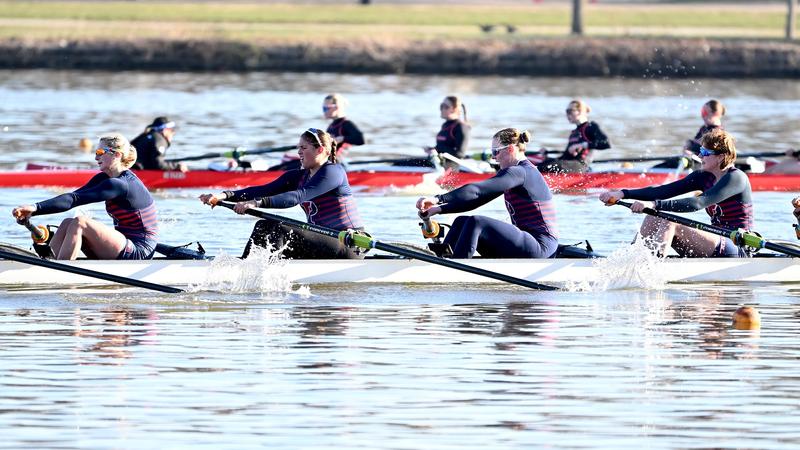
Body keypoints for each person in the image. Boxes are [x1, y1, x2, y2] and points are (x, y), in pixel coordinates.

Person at [199, 128, 366, 259]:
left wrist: (256, 203)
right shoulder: (298, 176)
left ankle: (254, 272)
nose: (299, 152)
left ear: (319, 150)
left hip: (349, 244)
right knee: (264, 228)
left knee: (275, 229)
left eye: (303, 147)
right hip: (322, 241)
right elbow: (262, 190)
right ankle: (250, 266)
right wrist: (223, 196)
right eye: (298, 148)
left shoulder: (333, 172)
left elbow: (298, 196)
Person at [599, 128, 752, 258]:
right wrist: (622, 193)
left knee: (670, 221)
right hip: (714, 241)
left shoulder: (736, 178)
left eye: (705, 152)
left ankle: (653, 270)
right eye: (700, 151)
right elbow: (664, 191)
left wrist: (653, 204)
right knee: (653, 217)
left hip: (736, 246)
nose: (700, 156)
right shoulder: (703, 177)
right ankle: (632, 260)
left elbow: (698, 203)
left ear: (720, 157)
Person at [416, 128, 559, 259]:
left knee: (477, 222)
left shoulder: (521, 172)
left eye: (495, 151)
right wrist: (439, 209)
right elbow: (476, 199)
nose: (494, 157)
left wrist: (437, 199)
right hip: (526, 243)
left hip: (541, 247)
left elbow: (476, 191)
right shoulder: (515, 174)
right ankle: (441, 259)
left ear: (510, 149)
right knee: (461, 222)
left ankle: (456, 267)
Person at [11, 134, 159, 260]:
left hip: (140, 251)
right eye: (96, 152)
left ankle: (61, 269)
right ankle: (48, 261)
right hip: (124, 242)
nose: (96, 157)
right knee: (67, 223)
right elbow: (73, 197)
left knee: (80, 222)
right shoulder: (104, 178)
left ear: (117, 155)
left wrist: (35, 208)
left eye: (101, 152)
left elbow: (73, 201)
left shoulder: (120, 184)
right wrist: (33, 211)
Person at [538, 99, 610, 174]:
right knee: (542, 164)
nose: (567, 115)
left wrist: (582, 145)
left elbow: (605, 143)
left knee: (546, 166)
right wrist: (546, 157)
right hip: (570, 164)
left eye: (570, 111)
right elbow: (565, 157)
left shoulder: (591, 127)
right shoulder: (574, 133)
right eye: (566, 112)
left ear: (580, 111)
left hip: (581, 165)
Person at [424, 95, 470, 167]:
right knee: (404, 162)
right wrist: (433, 149)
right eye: (441, 106)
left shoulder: (461, 127)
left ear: (454, 109)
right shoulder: (445, 125)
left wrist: (437, 148)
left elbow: (460, 154)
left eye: (445, 107)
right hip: (439, 162)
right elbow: (442, 147)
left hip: (452, 166)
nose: (442, 109)